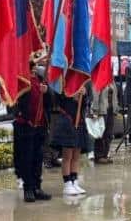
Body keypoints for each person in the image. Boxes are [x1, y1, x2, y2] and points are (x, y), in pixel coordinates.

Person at [16, 61, 53, 202]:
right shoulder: (21, 78)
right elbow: (14, 101)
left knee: (38, 158)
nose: (36, 68)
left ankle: (37, 187)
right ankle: (28, 188)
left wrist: (47, 91)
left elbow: (51, 101)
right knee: (27, 158)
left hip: (40, 124)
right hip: (26, 125)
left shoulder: (40, 78)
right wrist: (22, 116)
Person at [51, 81, 93, 196]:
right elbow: (57, 100)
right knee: (67, 156)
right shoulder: (63, 82)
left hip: (79, 122)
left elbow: (86, 104)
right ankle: (67, 183)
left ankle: (74, 181)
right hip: (67, 122)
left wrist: (84, 95)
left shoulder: (83, 82)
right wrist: (70, 94)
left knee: (76, 156)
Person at [90, 80, 119, 164]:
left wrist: (116, 109)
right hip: (101, 110)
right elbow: (95, 95)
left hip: (111, 110)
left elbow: (115, 96)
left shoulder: (112, 81)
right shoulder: (99, 78)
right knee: (100, 133)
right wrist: (95, 109)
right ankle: (99, 156)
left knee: (109, 134)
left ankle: (105, 154)